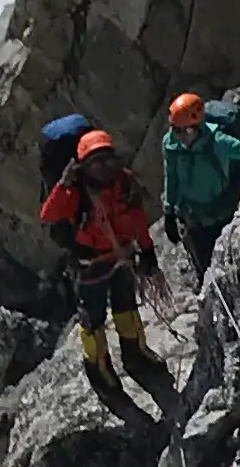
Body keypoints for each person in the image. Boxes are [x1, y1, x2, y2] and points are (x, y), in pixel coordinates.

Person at [40, 128, 176, 427]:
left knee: (126, 306)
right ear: (83, 166)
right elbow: (48, 215)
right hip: (91, 266)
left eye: (107, 161)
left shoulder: (124, 183)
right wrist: (64, 184)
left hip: (120, 257)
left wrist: (147, 250)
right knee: (92, 320)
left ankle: (135, 353)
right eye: (96, 163)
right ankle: (100, 371)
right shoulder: (74, 192)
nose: (104, 168)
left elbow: (137, 218)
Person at [157, 90, 240, 280]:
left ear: (198, 127)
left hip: (221, 215)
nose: (180, 136)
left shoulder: (218, 141)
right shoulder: (171, 145)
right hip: (193, 220)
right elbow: (171, 177)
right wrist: (169, 212)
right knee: (207, 273)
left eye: (185, 130)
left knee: (229, 271)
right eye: (175, 129)